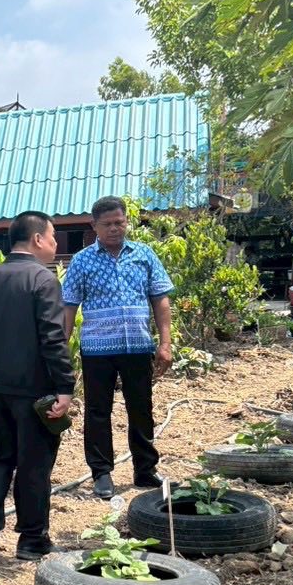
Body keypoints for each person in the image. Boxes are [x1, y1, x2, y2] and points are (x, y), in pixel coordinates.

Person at [0, 212, 76, 562]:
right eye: (53, 236)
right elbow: (54, 339)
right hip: (34, 389)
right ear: (37, 239)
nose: (55, 244)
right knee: (34, 462)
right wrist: (65, 386)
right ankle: (32, 539)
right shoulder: (43, 281)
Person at [61, 196, 174, 499]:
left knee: (141, 408)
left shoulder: (144, 255)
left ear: (127, 221)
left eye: (119, 222)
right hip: (97, 350)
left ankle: (145, 470)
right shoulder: (82, 261)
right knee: (98, 411)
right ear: (94, 226)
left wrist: (165, 343)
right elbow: (69, 307)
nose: (114, 228)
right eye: (107, 224)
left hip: (138, 346)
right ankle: (101, 473)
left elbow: (160, 300)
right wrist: (61, 351)